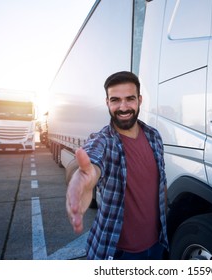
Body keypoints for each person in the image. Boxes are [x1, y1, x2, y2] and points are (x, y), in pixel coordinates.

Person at [66, 71, 168, 260]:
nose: (123, 107)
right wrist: (83, 178)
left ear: (140, 100)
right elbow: (92, 159)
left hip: (157, 245)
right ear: (107, 103)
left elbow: (161, 184)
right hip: (116, 251)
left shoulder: (154, 137)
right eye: (115, 100)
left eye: (130, 99)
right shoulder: (103, 141)